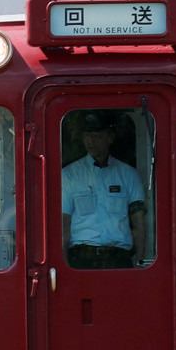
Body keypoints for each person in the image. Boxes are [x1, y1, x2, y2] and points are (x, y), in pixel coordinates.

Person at [62, 111, 147, 269]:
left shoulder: (128, 175)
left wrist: (140, 262)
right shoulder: (69, 175)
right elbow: (63, 225)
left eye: (98, 136)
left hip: (119, 259)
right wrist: (64, 266)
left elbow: (139, 221)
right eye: (87, 136)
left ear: (110, 138)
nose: (91, 142)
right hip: (81, 260)